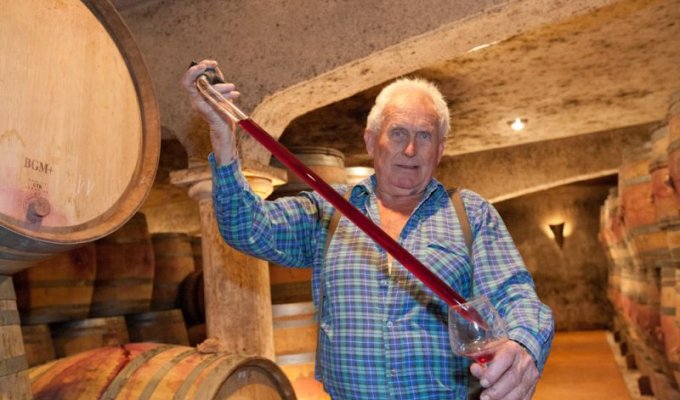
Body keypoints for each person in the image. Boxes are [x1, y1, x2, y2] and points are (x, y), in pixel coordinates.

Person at [182, 60, 554, 400]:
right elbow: (245, 227)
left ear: (439, 149)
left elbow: (514, 295)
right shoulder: (327, 212)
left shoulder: (471, 214)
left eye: (424, 136)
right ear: (370, 140)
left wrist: (523, 345)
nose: (410, 149)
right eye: (397, 133)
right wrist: (224, 141)